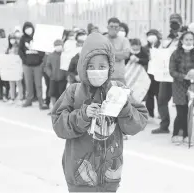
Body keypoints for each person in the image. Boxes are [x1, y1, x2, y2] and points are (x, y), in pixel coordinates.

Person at [51, 32, 148, 193]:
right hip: (79, 174)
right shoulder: (73, 92)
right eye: (90, 66)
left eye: (102, 66)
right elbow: (58, 124)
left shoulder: (118, 91)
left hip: (110, 174)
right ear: (83, 66)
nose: (97, 71)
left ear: (110, 67)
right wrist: (82, 115)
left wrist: (124, 108)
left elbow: (139, 120)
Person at [169, 31, 194, 146]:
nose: (189, 41)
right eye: (186, 39)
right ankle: (176, 133)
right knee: (180, 112)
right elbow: (172, 71)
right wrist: (184, 76)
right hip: (178, 85)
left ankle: (187, 135)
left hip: (191, 86)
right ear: (182, 40)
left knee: (188, 111)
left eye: (191, 39)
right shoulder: (175, 53)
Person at [152, 13, 184, 134]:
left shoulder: (185, 36)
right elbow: (159, 52)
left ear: (181, 23)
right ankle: (164, 125)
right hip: (165, 74)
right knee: (161, 100)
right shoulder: (165, 37)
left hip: (178, 74)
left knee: (180, 102)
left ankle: (180, 127)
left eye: (176, 21)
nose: (174, 24)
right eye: (172, 22)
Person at [18, 21, 48, 110]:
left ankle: (40, 101)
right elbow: (20, 51)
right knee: (28, 83)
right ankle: (29, 99)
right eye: (26, 28)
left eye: (29, 28)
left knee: (38, 84)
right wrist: (25, 60)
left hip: (37, 65)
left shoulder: (37, 37)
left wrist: (39, 59)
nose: (28, 30)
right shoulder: (23, 38)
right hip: (27, 65)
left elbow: (42, 50)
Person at [44, 39, 67, 111]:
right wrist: (50, 74)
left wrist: (65, 75)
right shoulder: (51, 56)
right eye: (56, 46)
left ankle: (61, 109)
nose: (58, 47)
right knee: (52, 93)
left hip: (62, 78)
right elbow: (47, 66)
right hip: (53, 78)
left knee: (61, 94)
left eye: (59, 45)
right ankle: (54, 108)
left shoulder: (65, 55)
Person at [106, 17, 131, 84]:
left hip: (119, 77)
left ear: (119, 28)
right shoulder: (103, 39)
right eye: (111, 26)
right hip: (105, 77)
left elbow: (126, 55)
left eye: (116, 27)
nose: (113, 28)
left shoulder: (124, 40)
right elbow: (101, 55)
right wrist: (119, 55)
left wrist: (109, 54)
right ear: (107, 27)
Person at [144, 29, 161, 118]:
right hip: (148, 74)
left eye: (153, 34)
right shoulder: (145, 48)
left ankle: (160, 113)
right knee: (149, 94)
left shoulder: (161, 47)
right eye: (149, 35)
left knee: (159, 94)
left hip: (159, 73)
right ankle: (150, 113)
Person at [6, 33, 24, 105]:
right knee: (11, 83)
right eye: (10, 39)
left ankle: (21, 98)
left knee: (19, 83)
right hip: (11, 67)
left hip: (17, 66)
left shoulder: (18, 47)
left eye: (13, 39)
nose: (12, 40)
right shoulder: (8, 48)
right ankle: (12, 97)